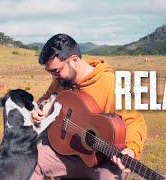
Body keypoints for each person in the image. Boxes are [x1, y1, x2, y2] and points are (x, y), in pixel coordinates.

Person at [30, 34, 147, 180]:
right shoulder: (61, 82)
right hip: (70, 155)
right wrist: (38, 110)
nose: (53, 77)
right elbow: (43, 101)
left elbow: (135, 121)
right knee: (29, 160)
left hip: (106, 161)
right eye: (50, 72)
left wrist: (132, 148)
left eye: (56, 71)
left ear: (74, 60)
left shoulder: (110, 84)